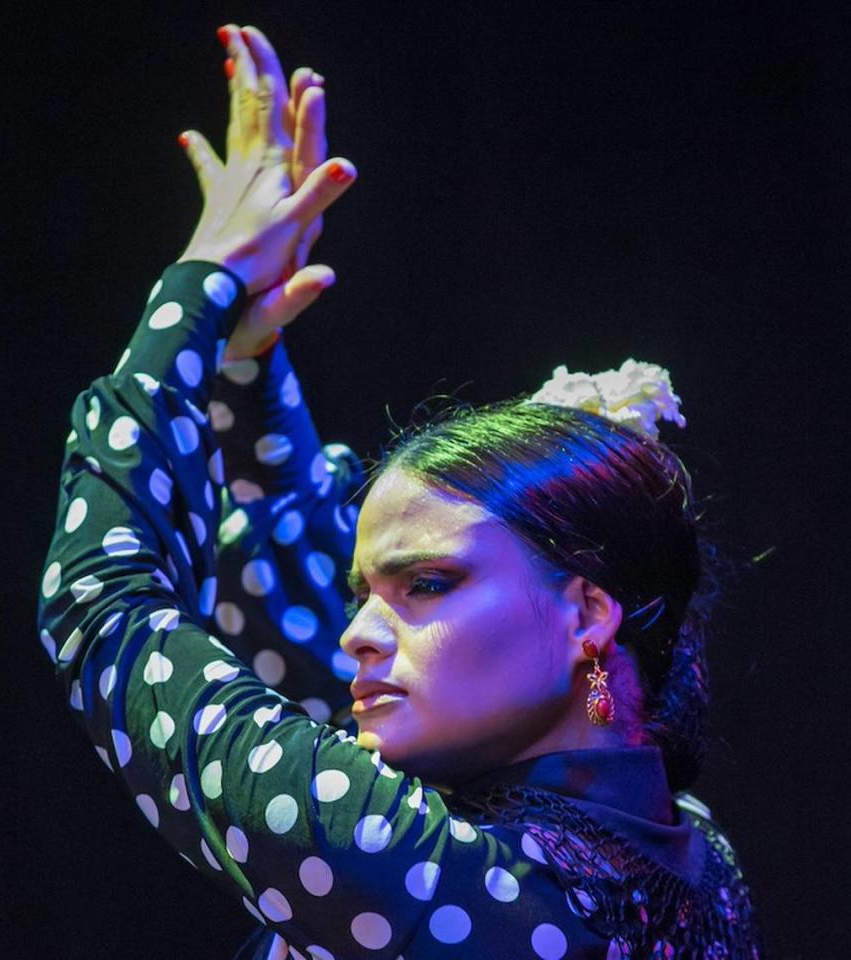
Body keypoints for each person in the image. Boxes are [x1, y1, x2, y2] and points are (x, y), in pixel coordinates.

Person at [38, 22, 762, 959]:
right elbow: (295, 597)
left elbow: (104, 607)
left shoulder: (441, 871)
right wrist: (245, 373)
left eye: (426, 586)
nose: (356, 633)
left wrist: (199, 289)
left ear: (588, 611)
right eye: (363, 592)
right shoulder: (692, 853)